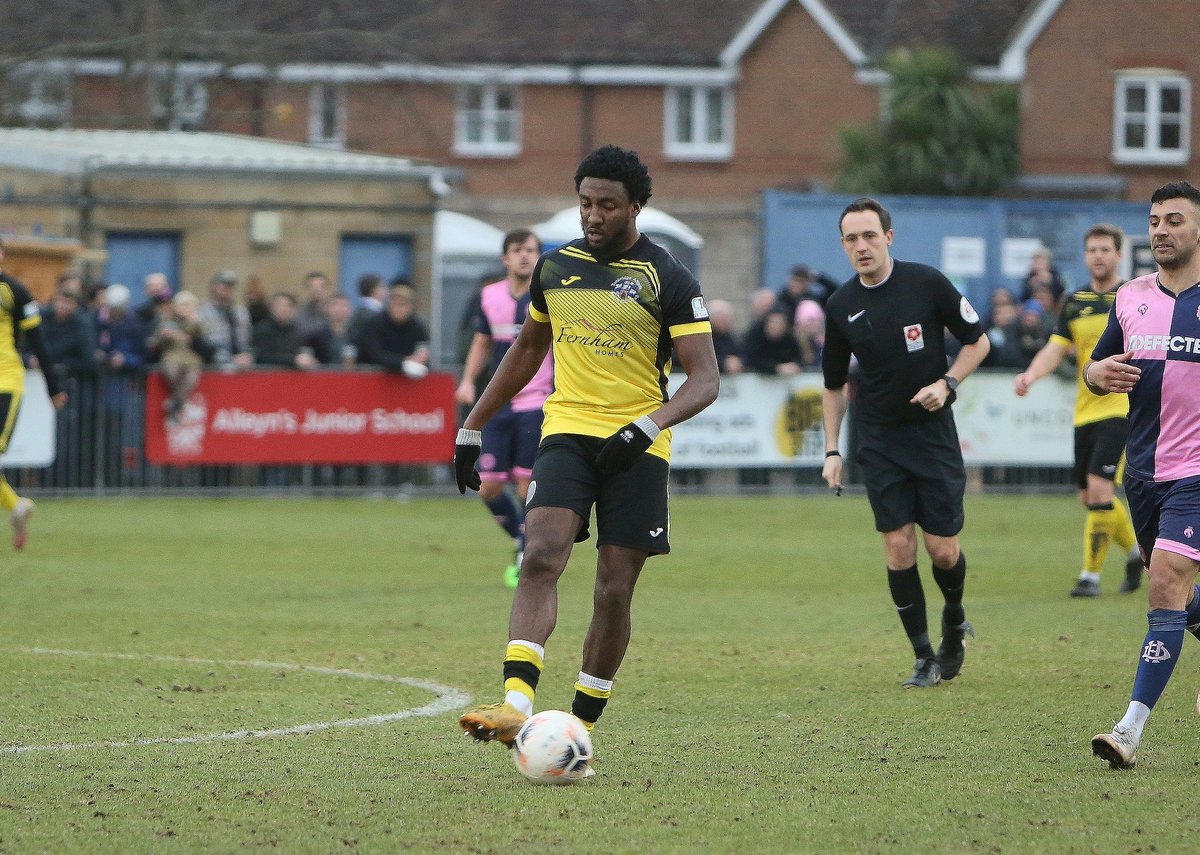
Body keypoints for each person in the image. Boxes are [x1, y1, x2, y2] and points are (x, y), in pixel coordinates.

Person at [453, 145, 719, 759]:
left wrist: (647, 426)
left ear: (635, 207)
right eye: (584, 204)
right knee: (540, 553)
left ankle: (580, 726)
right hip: (567, 430)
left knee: (613, 588)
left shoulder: (668, 277)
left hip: (638, 445)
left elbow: (704, 380)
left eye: (605, 205)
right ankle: (516, 705)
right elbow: (525, 351)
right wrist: (474, 424)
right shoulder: (556, 269)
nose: (592, 216)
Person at [821, 197, 990, 689]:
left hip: (932, 436)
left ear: (888, 237)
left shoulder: (927, 283)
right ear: (843, 246)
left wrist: (948, 384)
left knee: (942, 549)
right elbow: (833, 385)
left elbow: (978, 341)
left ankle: (954, 619)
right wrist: (832, 450)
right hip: (878, 439)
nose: (861, 246)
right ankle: (922, 656)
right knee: (898, 546)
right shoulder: (839, 305)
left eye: (870, 235)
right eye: (851, 239)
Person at [1086, 181, 1200, 770]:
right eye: (1155, 220)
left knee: (1162, 583)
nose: (1161, 230)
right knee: (1179, 594)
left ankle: (1129, 730)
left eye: (1174, 220)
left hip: (1198, 474)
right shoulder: (1130, 297)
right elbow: (1093, 366)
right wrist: (1096, 372)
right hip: (1146, 470)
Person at [1014, 224, 1143, 598]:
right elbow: (1056, 348)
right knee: (1089, 497)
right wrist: (1031, 375)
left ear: (1118, 255)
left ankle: (1090, 577)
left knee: (1102, 487)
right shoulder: (1074, 301)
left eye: (1105, 249)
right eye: (1092, 250)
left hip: (1123, 408)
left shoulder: (1134, 297)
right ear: (1085, 256)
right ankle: (1135, 552)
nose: (1099, 255)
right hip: (1085, 410)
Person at [454, 229, 551, 588]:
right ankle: (520, 538)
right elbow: (481, 342)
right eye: (518, 250)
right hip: (498, 403)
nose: (525, 256)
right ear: (505, 259)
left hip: (536, 401)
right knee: (489, 487)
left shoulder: (550, 296)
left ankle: (528, 554)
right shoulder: (489, 296)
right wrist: (467, 381)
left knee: (528, 485)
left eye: (531, 250)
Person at [0, 237, 68, 549]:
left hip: (5, 380)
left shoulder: (16, 291)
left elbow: (38, 342)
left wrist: (53, 386)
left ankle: (16, 507)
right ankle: (17, 507)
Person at [149, 291, 216, 422]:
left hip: (192, 359)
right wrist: (165, 336)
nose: (184, 309)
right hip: (173, 356)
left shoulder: (198, 323)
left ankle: (175, 405)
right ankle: (177, 403)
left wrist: (193, 327)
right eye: (181, 306)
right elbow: (159, 341)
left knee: (191, 379)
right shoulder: (168, 320)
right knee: (172, 372)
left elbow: (207, 343)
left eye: (187, 306)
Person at [355, 283, 430, 377]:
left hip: (408, 379)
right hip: (373, 377)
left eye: (402, 304)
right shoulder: (374, 324)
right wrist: (404, 361)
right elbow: (375, 354)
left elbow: (422, 351)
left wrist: (420, 358)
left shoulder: (418, 327)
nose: (398, 309)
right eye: (394, 304)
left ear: (411, 307)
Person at [198, 270, 254, 370]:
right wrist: (229, 358)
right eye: (223, 285)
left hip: (243, 367)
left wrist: (247, 356)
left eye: (230, 286)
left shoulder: (241, 312)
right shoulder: (202, 312)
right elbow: (204, 343)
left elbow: (248, 340)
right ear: (213, 287)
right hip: (213, 367)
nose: (227, 288)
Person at [251, 292, 323, 370]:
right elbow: (262, 356)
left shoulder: (299, 332)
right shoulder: (262, 329)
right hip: (268, 376)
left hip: (294, 377)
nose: (283, 309)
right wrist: (293, 360)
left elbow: (303, 351)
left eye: (288, 305)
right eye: (279, 305)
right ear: (271, 308)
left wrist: (309, 359)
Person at [743, 308, 802, 376]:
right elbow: (753, 360)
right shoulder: (754, 336)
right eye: (772, 322)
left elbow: (798, 359)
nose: (775, 326)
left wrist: (794, 366)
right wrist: (777, 368)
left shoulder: (790, 339)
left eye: (779, 323)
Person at [706, 299, 744, 374]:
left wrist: (738, 362)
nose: (725, 320)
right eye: (721, 316)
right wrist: (723, 363)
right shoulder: (705, 339)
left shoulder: (733, 338)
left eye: (727, 316)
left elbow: (744, 354)